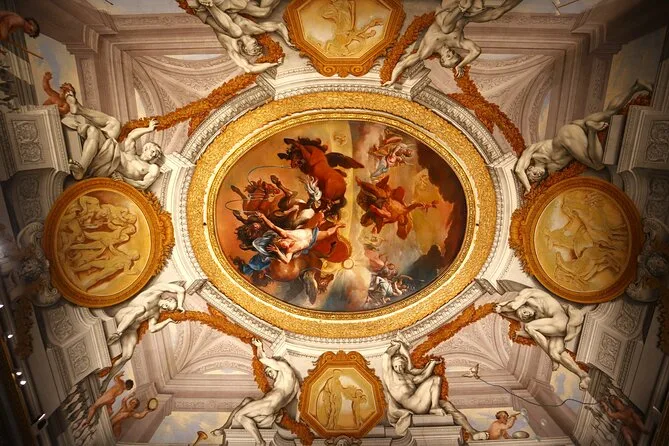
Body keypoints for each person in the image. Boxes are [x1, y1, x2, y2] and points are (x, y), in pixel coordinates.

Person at [514, 79, 653, 194]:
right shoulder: (551, 171)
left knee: (597, 164)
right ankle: (636, 86)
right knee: (610, 113)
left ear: (529, 168)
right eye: (535, 179)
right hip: (575, 130)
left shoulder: (534, 152)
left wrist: (528, 187)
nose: (536, 176)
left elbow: (518, 170)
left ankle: (592, 130)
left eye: (532, 175)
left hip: (566, 137)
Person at [385, 0, 521, 84]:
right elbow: (476, 51)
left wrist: (392, 80)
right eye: (454, 54)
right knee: (497, 13)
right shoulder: (457, 42)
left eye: (449, 56)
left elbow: (403, 64)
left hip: (449, 7)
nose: (451, 51)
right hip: (468, 14)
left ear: (442, 59)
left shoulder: (428, 49)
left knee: (445, 28)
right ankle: (465, 5)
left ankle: (463, 5)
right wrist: (461, 65)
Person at [381, 340, 483, 437]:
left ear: (404, 365)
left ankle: (473, 432)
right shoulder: (390, 377)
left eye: (401, 366)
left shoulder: (409, 376)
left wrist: (432, 364)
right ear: (392, 366)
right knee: (435, 379)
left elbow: (423, 376)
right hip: (411, 404)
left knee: (447, 405)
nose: (399, 369)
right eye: (396, 366)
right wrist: (397, 346)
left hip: (420, 401)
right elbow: (386, 356)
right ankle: (434, 407)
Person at [494, 287, 592, 389]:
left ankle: (551, 356)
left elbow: (514, 305)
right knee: (555, 353)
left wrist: (500, 307)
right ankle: (583, 375)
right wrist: (519, 333)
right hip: (558, 330)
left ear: (523, 305)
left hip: (560, 321)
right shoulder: (537, 317)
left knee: (529, 327)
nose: (526, 315)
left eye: (524, 312)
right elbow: (535, 335)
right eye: (524, 317)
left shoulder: (529, 294)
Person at [211, 338, 299, 446]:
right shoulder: (293, 384)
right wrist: (278, 412)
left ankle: (260, 441)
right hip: (269, 408)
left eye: (269, 370)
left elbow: (262, 359)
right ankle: (224, 427)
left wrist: (259, 346)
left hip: (266, 405)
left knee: (239, 416)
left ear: (276, 367)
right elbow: (291, 401)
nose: (269, 375)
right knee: (247, 400)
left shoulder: (284, 368)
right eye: (267, 374)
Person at [101, 283, 186, 391]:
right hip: (123, 317)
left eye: (168, 309)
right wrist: (180, 305)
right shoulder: (155, 291)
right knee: (140, 309)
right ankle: (117, 333)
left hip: (130, 329)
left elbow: (153, 328)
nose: (165, 308)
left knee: (127, 355)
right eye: (167, 305)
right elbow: (181, 290)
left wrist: (168, 321)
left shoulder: (155, 313)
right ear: (168, 298)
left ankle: (107, 380)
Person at [188, 0, 291, 74]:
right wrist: (287, 40)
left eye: (254, 51)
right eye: (259, 49)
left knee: (236, 32)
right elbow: (279, 25)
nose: (258, 48)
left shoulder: (232, 45)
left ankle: (209, 4)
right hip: (225, 7)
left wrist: (272, 65)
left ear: (245, 49)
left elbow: (249, 68)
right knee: (264, 12)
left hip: (205, 10)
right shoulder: (253, 29)